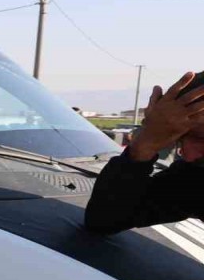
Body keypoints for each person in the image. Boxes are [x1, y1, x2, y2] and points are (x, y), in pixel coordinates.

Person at [86, 71, 204, 234]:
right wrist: (146, 144)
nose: (188, 154)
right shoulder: (195, 180)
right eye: (178, 138)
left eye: (201, 138)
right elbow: (104, 220)